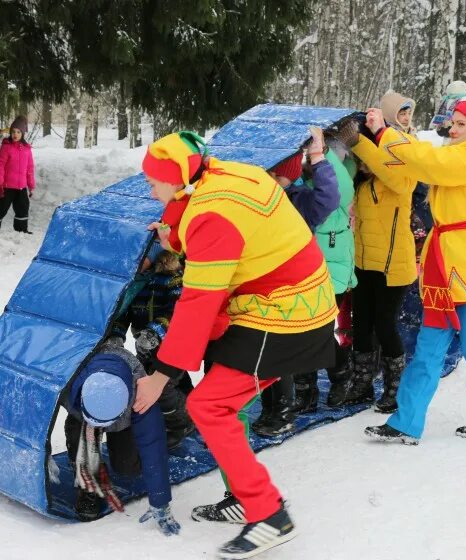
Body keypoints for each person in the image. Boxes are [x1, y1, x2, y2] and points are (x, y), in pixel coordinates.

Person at [134, 131, 338, 559]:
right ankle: (246, 498)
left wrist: (159, 376)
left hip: (287, 314)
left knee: (209, 405)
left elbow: (198, 301)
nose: (149, 189)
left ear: (176, 180)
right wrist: (176, 237)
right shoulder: (222, 174)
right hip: (291, 299)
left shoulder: (212, 215)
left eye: (153, 181)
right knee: (223, 400)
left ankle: (269, 514)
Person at [347, 97, 466, 444]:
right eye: (452, 123)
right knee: (429, 344)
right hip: (448, 259)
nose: (453, 130)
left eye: (461, 125)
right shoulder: (463, 151)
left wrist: (385, 132)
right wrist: (364, 142)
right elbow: (414, 165)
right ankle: (406, 421)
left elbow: (430, 161)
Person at [330, 92, 419, 414]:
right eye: (403, 112)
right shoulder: (361, 179)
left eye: (410, 112)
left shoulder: (405, 161)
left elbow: (399, 179)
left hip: (394, 264)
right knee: (361, 324)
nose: (366, 162)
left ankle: (395, 387)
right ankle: (362, 383)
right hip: (364, 262)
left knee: (385, 325)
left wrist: (360, 144)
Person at [252, 126, 343, 436]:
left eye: (279, 179)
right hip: (260, 286)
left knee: (277, 354)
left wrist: (317, 157)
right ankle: (271, 408)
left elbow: (330, 197)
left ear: (289, 178)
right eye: (270, 178)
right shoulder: (257, 202)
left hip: (289, 287)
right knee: (264, 354)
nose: (274, 184)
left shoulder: (299, 201)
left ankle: (283, 411)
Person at [63, 336, 180, 536]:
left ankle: (171, 406)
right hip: (82, 411)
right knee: (78, 433)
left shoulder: (140, 391)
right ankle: (88, 487)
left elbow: (152, 445)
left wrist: (160, 501)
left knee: (128, 467)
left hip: (124, 418)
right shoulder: (67, 373)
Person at [111, 246, 194, 449]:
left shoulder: (171, 276)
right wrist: (116, 334)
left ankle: (181, 423)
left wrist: (155, 331)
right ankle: (193, 406)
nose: (138, 264)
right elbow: (124, 313)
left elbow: (177, 309)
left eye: (143, 259)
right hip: (145, 346)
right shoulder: (134, 281)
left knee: (163, 387)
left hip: (173, 344)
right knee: (167, 383)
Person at [0, 116, 35, 235]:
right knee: (1, 208)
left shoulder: (27, 149)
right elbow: (0, 165)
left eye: (18, 132)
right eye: (13, 131)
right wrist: (0, 183)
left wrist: (31, 185)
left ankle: (21, 230)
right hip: (7, 186)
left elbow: (30, 169)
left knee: (23, 208)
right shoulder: (6, 147)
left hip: (21, 187)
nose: (15, 134)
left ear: (22, 133)